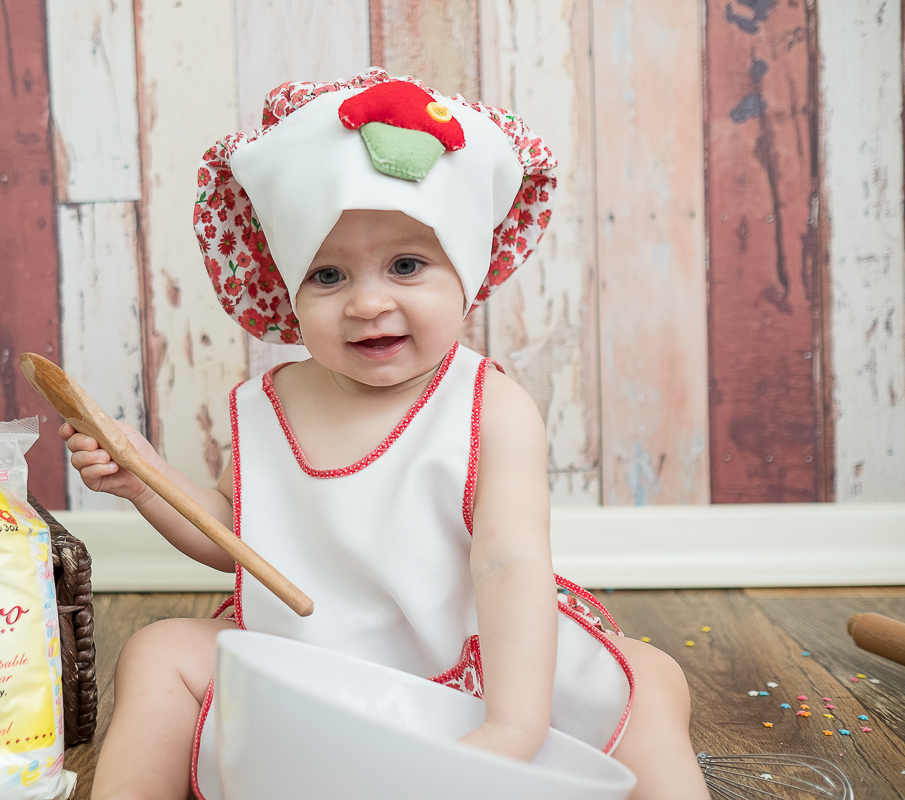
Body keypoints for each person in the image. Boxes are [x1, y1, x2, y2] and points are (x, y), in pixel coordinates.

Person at [64, 68, 709, 800]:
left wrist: (514, 725)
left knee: (649, 680)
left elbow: (509, 565)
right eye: (328, 275)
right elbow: (233, 540)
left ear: (465, 271)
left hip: (473, 660)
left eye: (407, 265)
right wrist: (147, 480)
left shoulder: (487, 406)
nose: (369, 302)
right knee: (155, 654)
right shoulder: (264, 405)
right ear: (286, 288)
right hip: (312, 659)